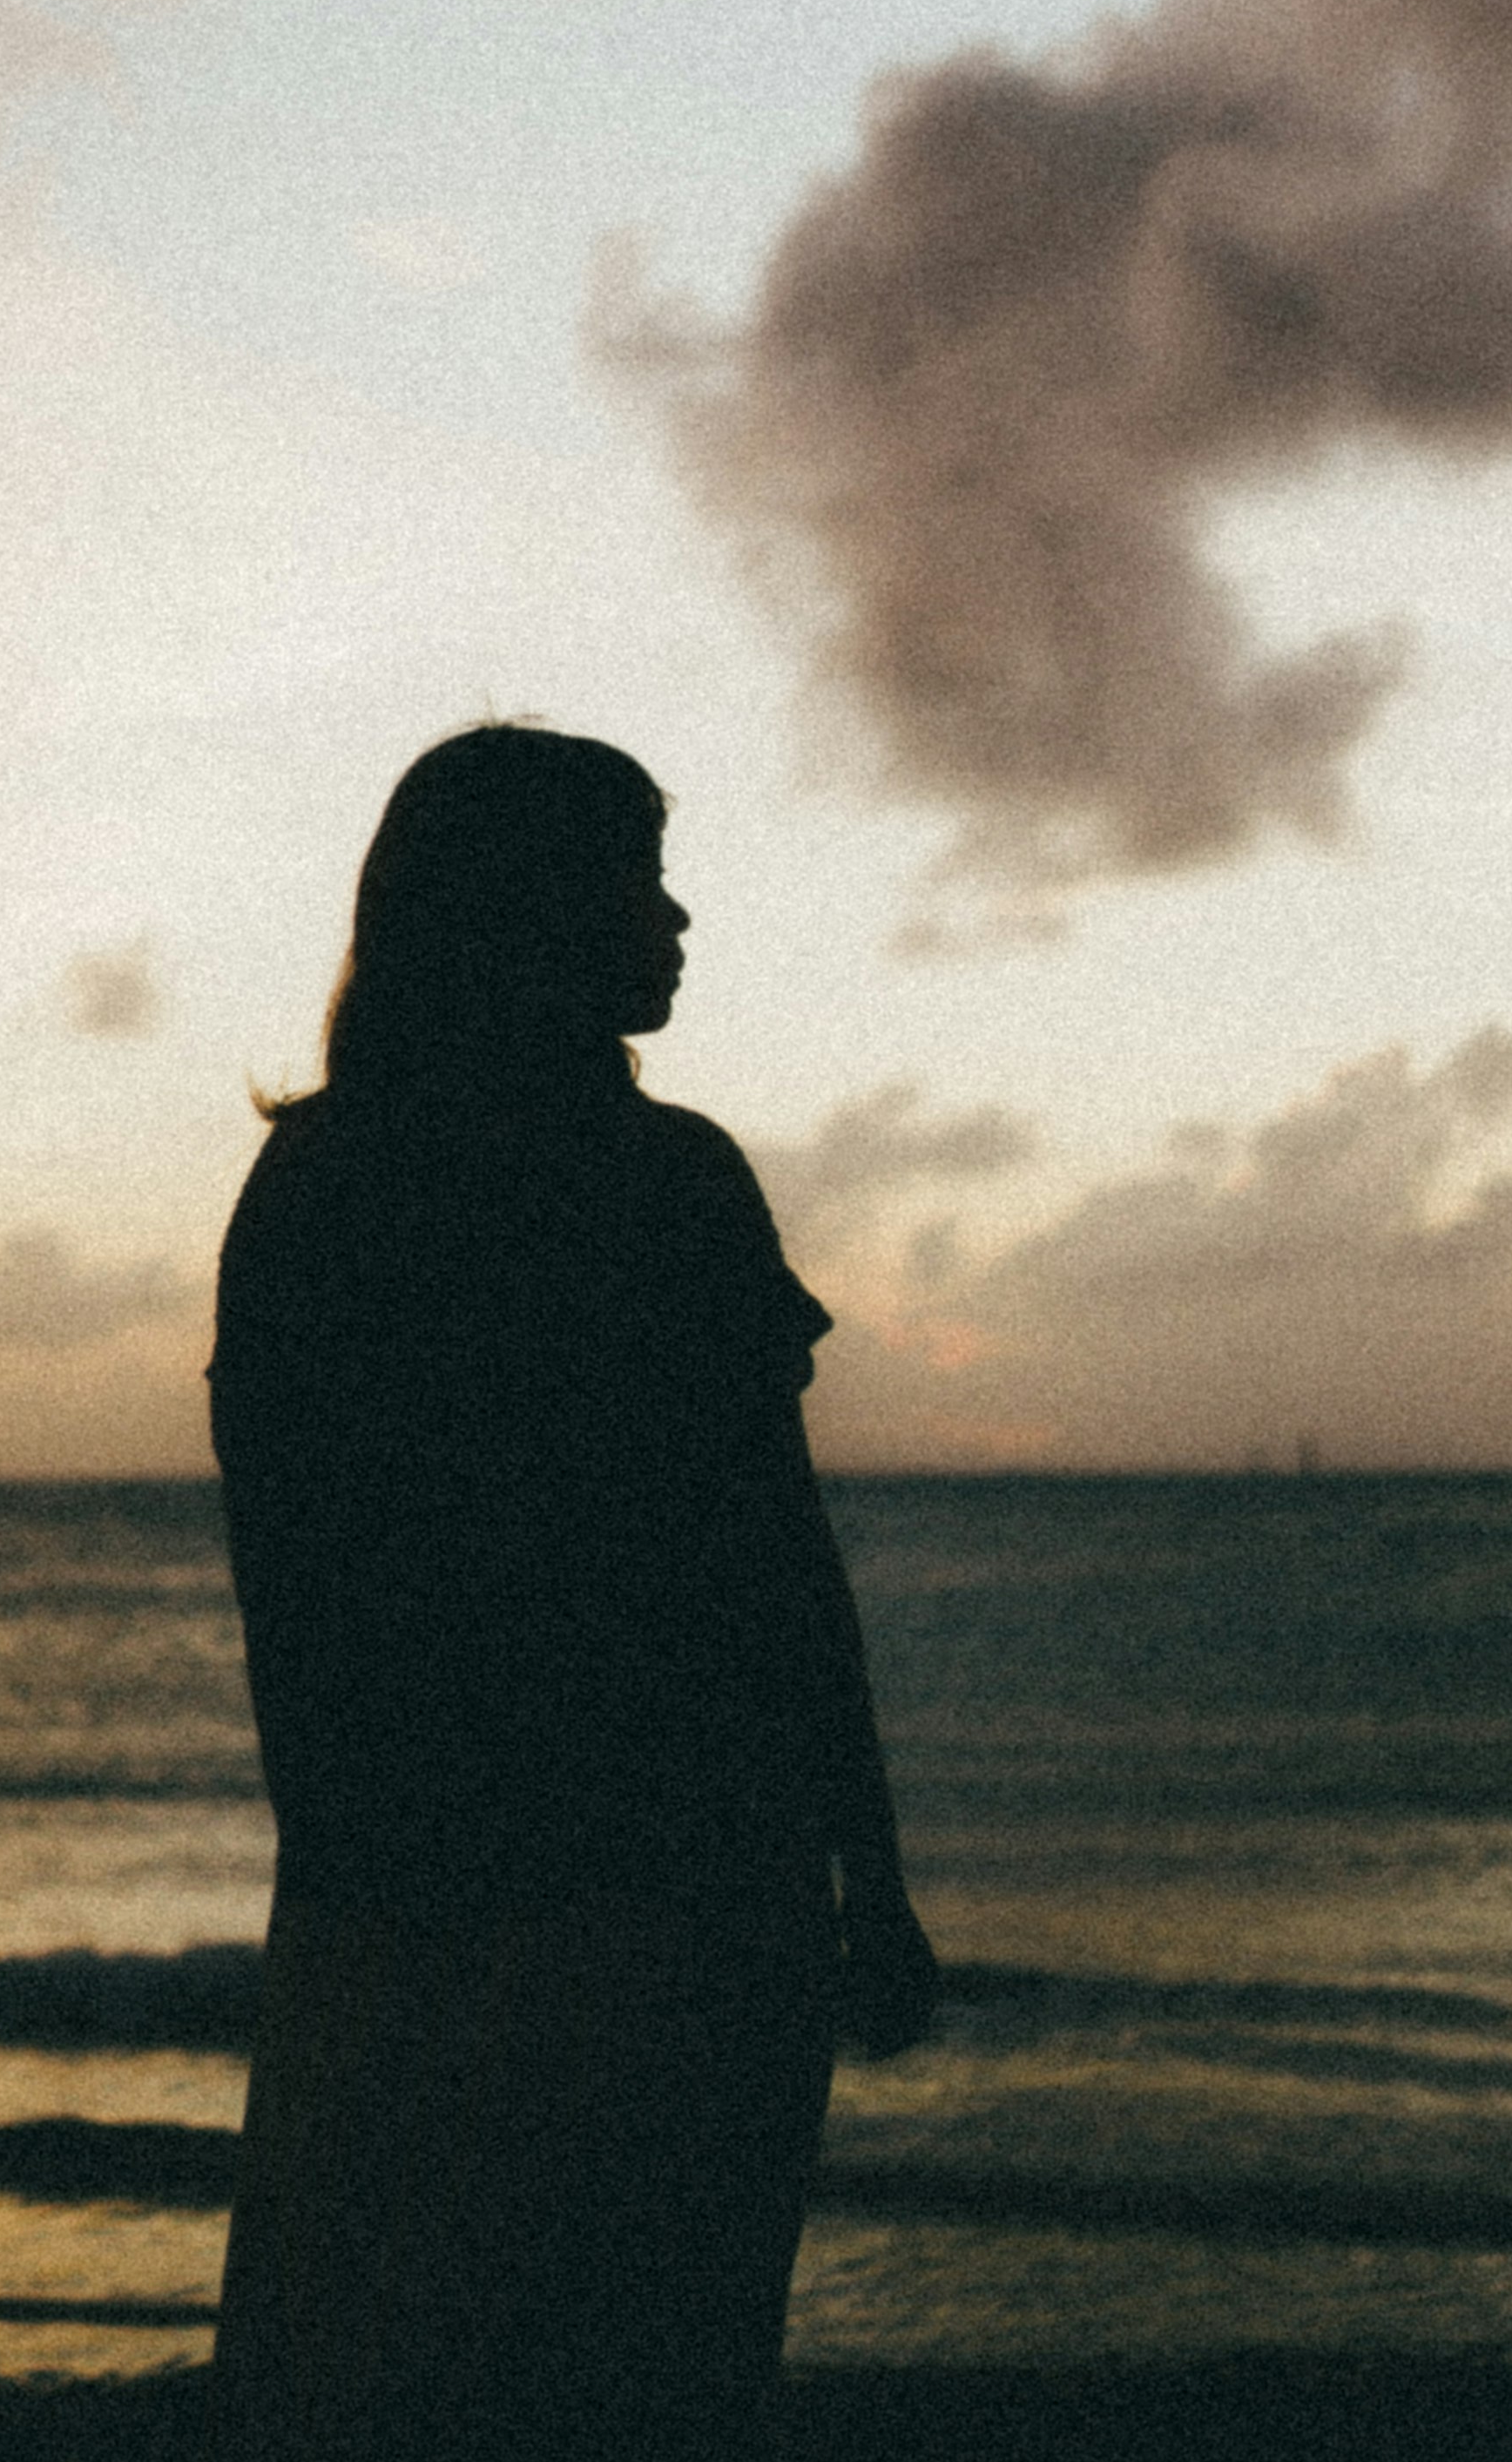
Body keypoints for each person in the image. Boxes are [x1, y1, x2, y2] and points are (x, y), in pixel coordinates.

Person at [208, 720, 938, 2460]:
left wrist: (346, 1879)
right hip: (672, 1896)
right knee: (656, 2372)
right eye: (640, 876)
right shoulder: (666, 1185)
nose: (677, 919)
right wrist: (875, 1875)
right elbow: (777, 1564)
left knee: (396, 2373)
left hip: (419, 1885)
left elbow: (291, 1595)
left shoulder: (314, 1190)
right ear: (529, 909)